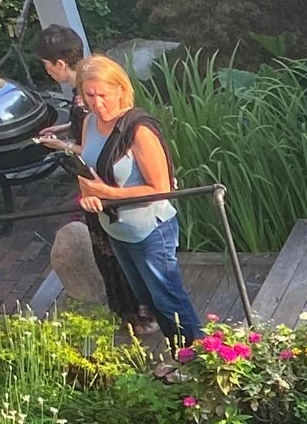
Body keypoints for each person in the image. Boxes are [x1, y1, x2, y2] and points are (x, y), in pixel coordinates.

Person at [43, 55, 203, 345]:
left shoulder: (138, 131)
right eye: (89, 95)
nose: (96, 103)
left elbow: (162, 188)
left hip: (151, 230)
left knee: (168, 297)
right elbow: (87, 165)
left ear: (120, 89)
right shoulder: (90, 122)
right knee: (146, 298)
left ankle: (198, 353)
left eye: (103, 94)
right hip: (116, 229)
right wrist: (90, 197)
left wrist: (108, 195)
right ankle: (179, 353)